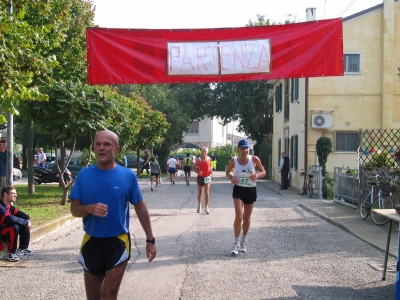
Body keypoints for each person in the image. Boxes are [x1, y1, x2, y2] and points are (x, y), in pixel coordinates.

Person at [69, 130, 156, 299]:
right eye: (98, 144)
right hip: (91, 241)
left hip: (118, 241)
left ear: (117, 149)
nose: (101, 148)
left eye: (107, 144)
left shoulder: (128, 176)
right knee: (93, 297)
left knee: (109, 294)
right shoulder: (84, 175)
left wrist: (150, 240)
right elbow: (74, 210)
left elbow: (140, 207)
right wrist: (89, 209)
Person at [226, 139, 266, 255]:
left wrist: (257, 175)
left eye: (246, 148)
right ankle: (235, 243)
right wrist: (231, 177)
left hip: (251, 190)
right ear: (238, 149)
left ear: (249, 149)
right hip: (239, 190)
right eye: (242, 148)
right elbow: (228, 172)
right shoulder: (234, 160)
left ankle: (244, 240)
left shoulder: (254, 159)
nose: (245, 150)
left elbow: (263, 171)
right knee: (239, 216)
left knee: (247, 217)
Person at [0, 185, 35, 262]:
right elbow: (8, 218)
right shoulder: (1, 207)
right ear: (5, 194)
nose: (16, 195)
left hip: (3, 229)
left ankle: (23, 248)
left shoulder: (9, 206)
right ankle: (11, 253)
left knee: (23, 224)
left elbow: (20, 214)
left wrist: (28, 220)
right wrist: (25, 222)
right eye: (13, 193)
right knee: (13, 227)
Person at [193, 147, 213, 214]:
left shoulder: (209, 159)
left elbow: (210, 167)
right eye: (203, 151)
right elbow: (194, 168)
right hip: (200, 177)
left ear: (207, 152)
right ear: (201, 152)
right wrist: (198, 172)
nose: (204, 152)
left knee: (207, 192)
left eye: (205, 151)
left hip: (207, 177)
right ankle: (199, 205)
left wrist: (211, 170)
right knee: (200, 193)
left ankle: (206, 207)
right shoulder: (199, 160)